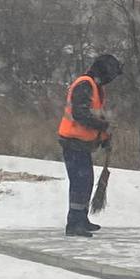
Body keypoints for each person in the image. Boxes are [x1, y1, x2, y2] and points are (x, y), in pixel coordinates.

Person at [57, 54, 122, 237]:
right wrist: (103, 126)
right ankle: (74, 224)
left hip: (82, 143)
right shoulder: (85, 85)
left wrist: (104, 136)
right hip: (72, 141)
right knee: (80, 183)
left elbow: (95, 116)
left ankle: (81, 219)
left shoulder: (95, 87)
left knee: (85, 182)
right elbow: (81, 115)